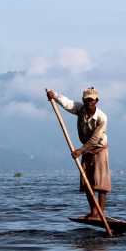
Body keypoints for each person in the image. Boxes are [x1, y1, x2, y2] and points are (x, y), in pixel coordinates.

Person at [47, 86, 111, 219]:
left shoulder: (102, 117)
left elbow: (95, 139)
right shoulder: (80, 108)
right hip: (85, 149)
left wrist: (81, 151)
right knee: (87, 181)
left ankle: (100, 214)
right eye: (87, 99)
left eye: (92, 100)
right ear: (83, 100)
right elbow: (67, 103)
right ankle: (93, 212)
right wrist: (54, 96)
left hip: (99, 148)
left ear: (96, 101)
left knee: (101, 183)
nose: (89, 102)